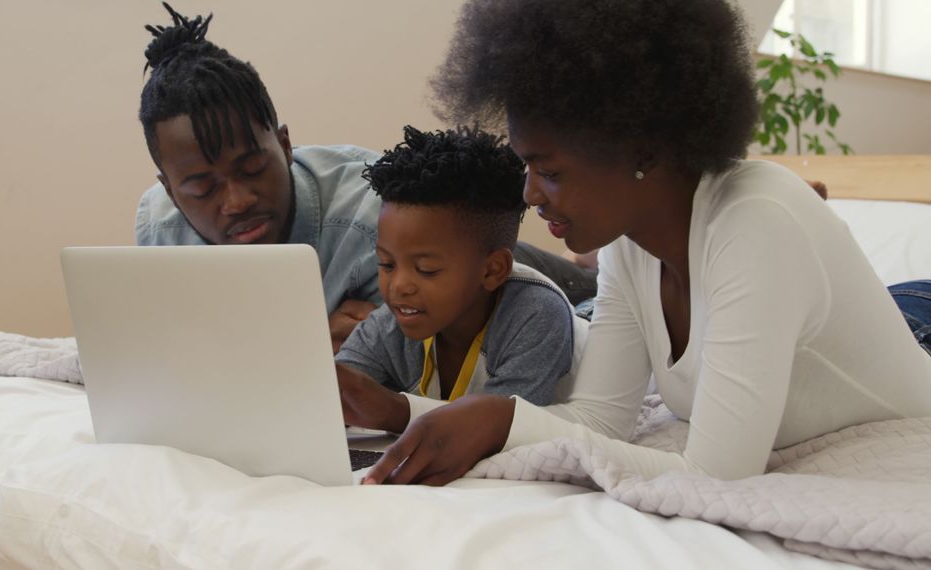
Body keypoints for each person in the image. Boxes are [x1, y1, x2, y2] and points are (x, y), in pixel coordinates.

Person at [348, 0, 931, 485]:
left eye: (548, 170)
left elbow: (716, 475)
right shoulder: (629, 245)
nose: (529, 195)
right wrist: (429, 413)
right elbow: (601, 419)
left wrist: (502, 421)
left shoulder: (758, 222)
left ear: (644, 148)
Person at [134, 3, 599, 352]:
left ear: (285, 145)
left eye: (253, 168)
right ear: (170, 189)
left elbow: (427, 347)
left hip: (484, 261)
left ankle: (589, 265)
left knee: (582, 292)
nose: (236, 201)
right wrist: (310, 337)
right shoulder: (158, 232)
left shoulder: (369, 210)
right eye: (200, 188)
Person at [335, 126, 588, 434]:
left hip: (588, 311)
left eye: (427, 270)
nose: (398, 285)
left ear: (492, 271)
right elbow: (338, 397)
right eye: (386, 264)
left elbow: (500, 427)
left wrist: (396, 410)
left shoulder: (536, 314)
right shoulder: (389, 324)